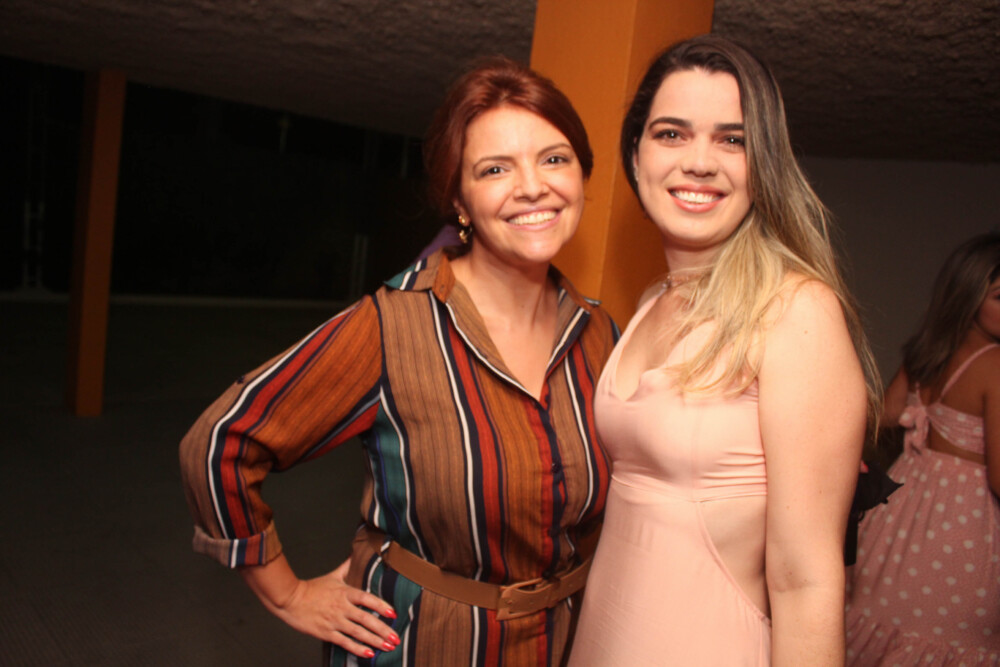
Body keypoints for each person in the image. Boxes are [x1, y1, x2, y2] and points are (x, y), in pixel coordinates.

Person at [179, 57, 618, 665]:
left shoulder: (599, 333)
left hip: (563, 644)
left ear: (581, 175)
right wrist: (287, 595)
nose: (532, 186)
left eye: (554, 158)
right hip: (425, 643)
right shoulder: (393, 326)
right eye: (495, 168)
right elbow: (219, 444)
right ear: (459, 199)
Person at [568, 35, 880, 666]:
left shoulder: (796, 310)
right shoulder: (655, 298)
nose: (699, 162)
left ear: (764, 166)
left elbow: (806, 582)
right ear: (636, 155)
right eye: (672, 134)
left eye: (732, 140)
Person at [845, 233, 1000, 665]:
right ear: (968, 296)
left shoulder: (929, 354)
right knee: (947, 640)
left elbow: (884, 416)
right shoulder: (995, 365)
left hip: (895, 519)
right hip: (963, 535)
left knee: (881, 627)